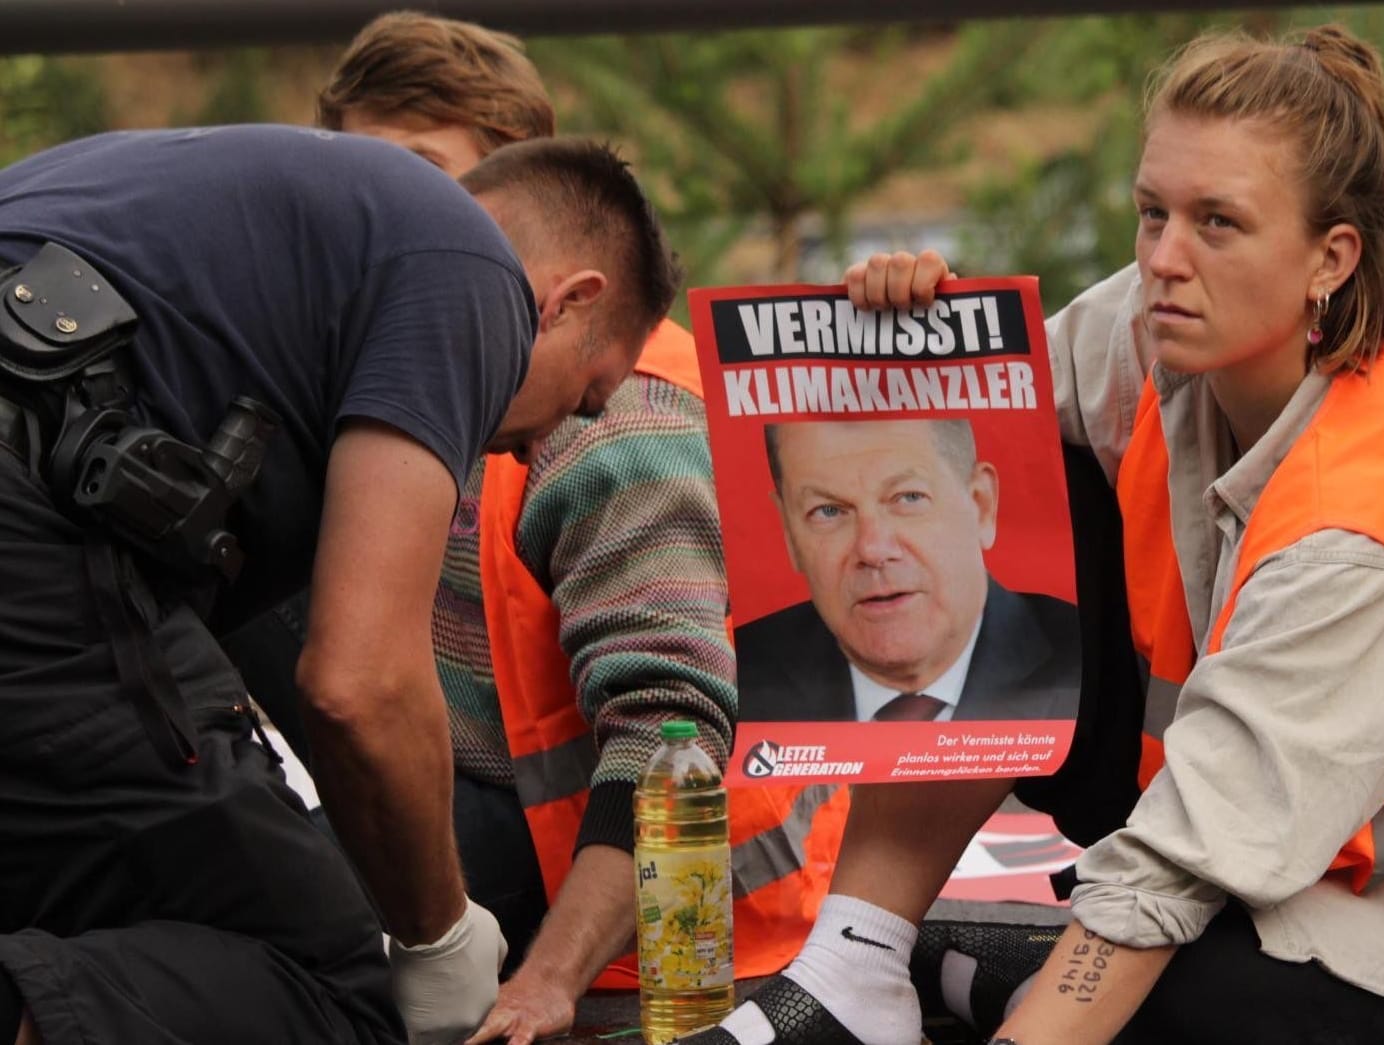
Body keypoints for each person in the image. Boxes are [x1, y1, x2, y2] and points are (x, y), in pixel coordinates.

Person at [779, 24, 1384, 1045]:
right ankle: (866, 961)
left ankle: (988, 987)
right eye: (1151, 214)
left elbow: (1172, 866)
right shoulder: (1165, 328)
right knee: (1007, 506)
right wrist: (916, 333)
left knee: (1188, 997)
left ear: (1331, 258)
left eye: (1217, 223)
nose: (1163, 260)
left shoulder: (1370, 513)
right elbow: (961, 434)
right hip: (1223, 817)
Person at [0, 124, 649, 1045]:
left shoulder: (211, 202)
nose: (544, 444)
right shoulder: (472, 274)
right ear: (566, 303)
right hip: (30, 524)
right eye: (587, 395)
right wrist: (438, 937)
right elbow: (359, 683)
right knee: (327, 980)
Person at [293, 14, 843, 1045]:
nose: (384, 225)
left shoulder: (614, 420)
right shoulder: (427, 369)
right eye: (356, 186)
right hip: (521, 859)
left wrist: (541, 984)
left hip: (663, 921)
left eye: (422, 180)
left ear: (521, 187)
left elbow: (663, 732)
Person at [736, 418, 1080, 723]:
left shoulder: (1086, 660)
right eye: (828, 511)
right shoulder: (738, 674)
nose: (872, 550)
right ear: (789, 532)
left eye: (908, 498)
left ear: (981, 504)